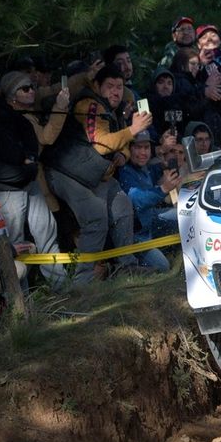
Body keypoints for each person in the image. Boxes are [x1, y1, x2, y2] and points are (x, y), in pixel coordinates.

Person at [42, 65, 153, 283]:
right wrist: (133, 130)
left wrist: (123, 152)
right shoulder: (89, 105)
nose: (115, 91)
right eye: (109, 86)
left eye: (119, 87)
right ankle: (83, 282)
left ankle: (126, 266)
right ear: (96, 86)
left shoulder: (115, 108)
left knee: (122, 205)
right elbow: (102, 144)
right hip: (66, 172)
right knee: (95, 217)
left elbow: (118, 143)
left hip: (93, 173)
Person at [0, 71, 69, 287]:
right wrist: (60, 107)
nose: (31, 91)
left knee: (47, 232)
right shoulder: (1, 119)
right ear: (11, 96)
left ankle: (61, 288)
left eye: (32, 86)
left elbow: (36, 145)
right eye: (25, 88)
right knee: (15, 242)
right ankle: (20, 298)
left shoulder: (26, 116)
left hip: (32, 182)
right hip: (10, 188)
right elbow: (47, 137)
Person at [117, 132, 180, 273]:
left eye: (146, 147)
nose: (143, 152)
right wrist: (164, 188)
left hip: (150, 222)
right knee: (163, 267)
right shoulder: (124, 172)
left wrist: (167, 159)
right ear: (129, 149)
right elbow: (137, 199)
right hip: (136, 236)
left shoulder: (145, 168)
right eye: (138, 148)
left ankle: (167, 248)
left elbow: (156, 169)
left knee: (182, 217)